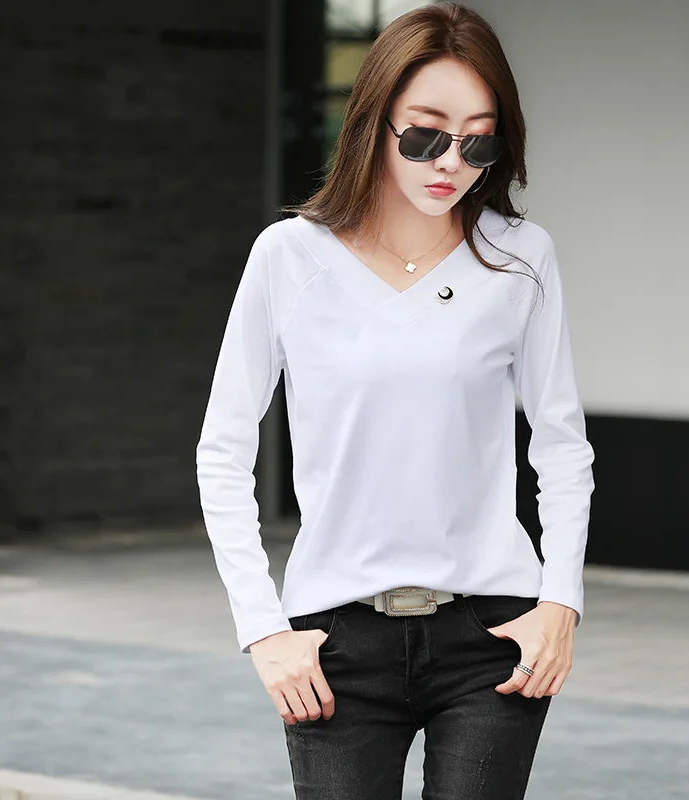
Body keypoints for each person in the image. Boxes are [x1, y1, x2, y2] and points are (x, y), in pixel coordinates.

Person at [195, 3, 595, 798]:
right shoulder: (289, 257)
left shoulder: (520, 258)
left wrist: (561, 602)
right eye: (424, 135)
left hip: (492, 634)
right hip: (335, 641)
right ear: (372, 121)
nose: (450, 162)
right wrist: (263, 629)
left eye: (478, 140)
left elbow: (560, 444)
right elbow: (223, 451)